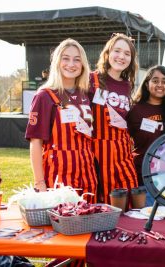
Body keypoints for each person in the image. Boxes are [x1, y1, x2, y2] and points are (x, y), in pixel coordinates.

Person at [26, 38, 97, 203]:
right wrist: (40, 183)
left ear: (83, 65)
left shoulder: (85, 94)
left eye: (77, 59)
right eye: (65, 58)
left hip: (88, 175)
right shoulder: (44, 96)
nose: (71, 64)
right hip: (58, 176)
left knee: (87, 223)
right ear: (57, 62)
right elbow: (35, 143)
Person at [89, 33, 138, 205]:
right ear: (108, 53)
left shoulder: (127, 85)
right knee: (102, 202)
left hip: (122, 152)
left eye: (127, 54)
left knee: (129, 200)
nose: (121, 57)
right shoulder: (91, 79)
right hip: (97, 153)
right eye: (117, 51)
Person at [127, 65, 165, 206]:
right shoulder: (135, 109)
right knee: (147, 221)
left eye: (164, 81)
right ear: (147, 84)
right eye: (155, 80)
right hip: (144, 176)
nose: (160, 85)